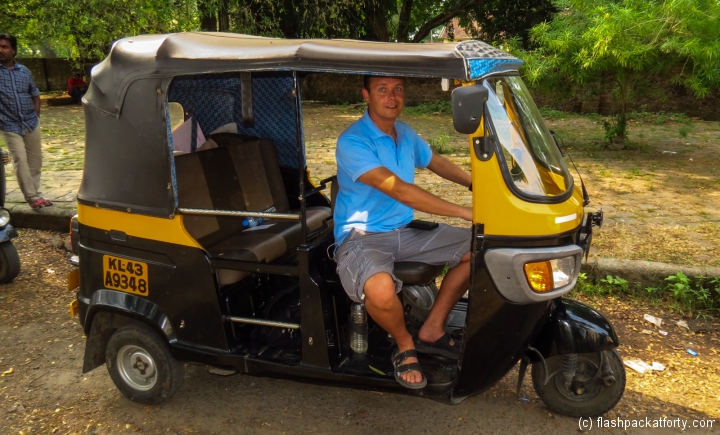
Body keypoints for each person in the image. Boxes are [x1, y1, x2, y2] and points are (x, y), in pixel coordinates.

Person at [334, 75, 472, 389]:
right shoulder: (353, 141)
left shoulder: (405, 134)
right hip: (362, 236)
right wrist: (465, 211)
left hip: (405, 230)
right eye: (382, 90)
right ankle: (405, 344)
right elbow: (400, 191)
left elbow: (436, 161)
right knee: (381, 290)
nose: (392, 97)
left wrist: (476, 184)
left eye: (398, 90)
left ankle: (433, 328)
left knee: (483, 247)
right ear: (366, 95)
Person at [0, 34, 52, 209]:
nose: (1, 50)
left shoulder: (24, 71)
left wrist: (36, 114)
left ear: (13, 50)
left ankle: (36, 194)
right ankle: (31, 197)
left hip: (30, 122)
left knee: (35, 161)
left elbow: (35, 93)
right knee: (20, 160)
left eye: (5, 47)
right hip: (8, 124)